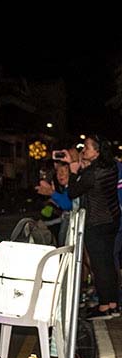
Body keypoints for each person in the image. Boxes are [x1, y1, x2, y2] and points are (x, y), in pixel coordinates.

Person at [59, 135, 120, 320]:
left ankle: (104, 306)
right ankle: (113, 304)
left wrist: (73, 171)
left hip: (96, 223)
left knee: (99, 266)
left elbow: (72, 192)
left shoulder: (92, 173)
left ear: (97, 151)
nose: (83, 150)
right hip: (112, 220)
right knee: (108, 263)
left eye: (86, 147)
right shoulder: (111, 166)